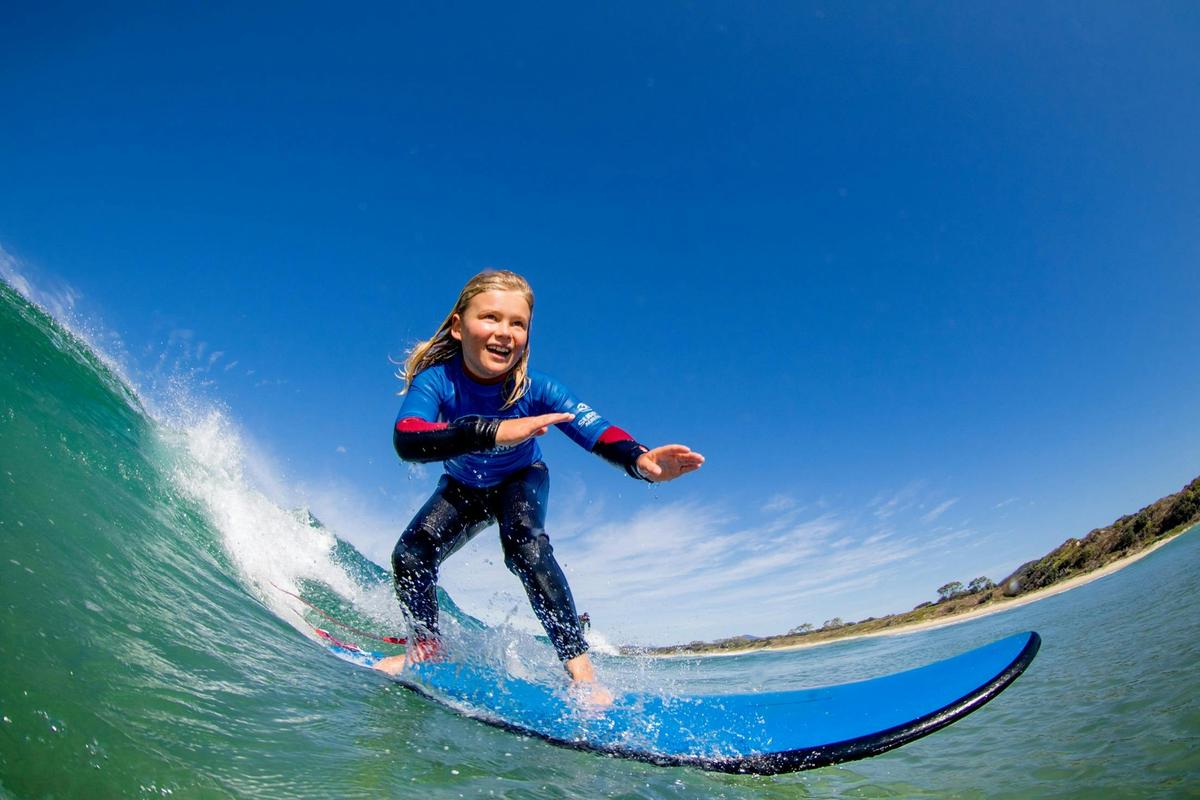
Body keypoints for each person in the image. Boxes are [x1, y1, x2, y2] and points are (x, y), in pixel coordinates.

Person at [373, 270, 703, 699]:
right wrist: (491, 432)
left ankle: (583, 675)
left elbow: (593, 427)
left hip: (520, 478)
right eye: (490, 317)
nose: (505, 332)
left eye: (518, 323)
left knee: (525, 548)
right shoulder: (437, 381)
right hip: (463, 485)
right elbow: (408, 438)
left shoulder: (536, 388)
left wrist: (638, 460)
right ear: (458, 326)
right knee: (411, 554)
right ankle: (427, 649)